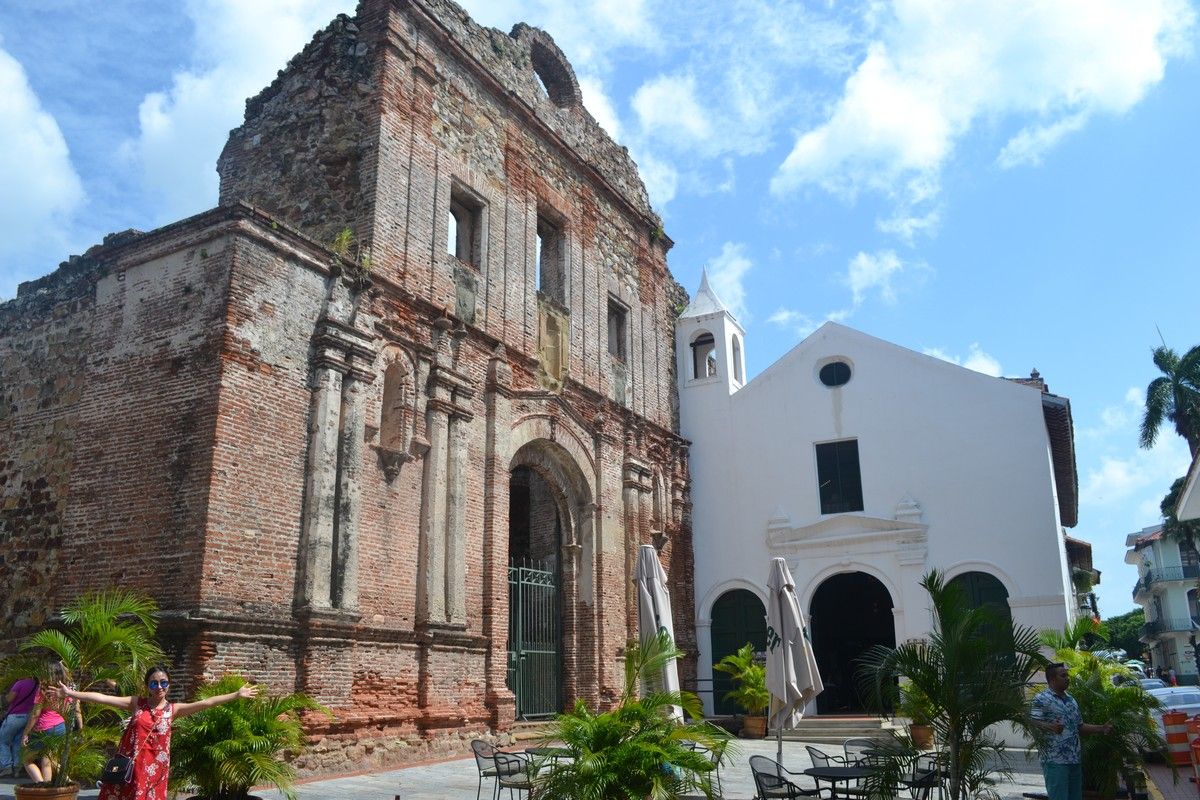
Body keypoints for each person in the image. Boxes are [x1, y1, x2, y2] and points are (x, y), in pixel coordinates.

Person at [48, 665, 258, 800]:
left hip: (156, 767)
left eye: (163, 682)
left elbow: (207, 702)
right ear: (147, 686)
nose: (159, 687)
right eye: (154, 683)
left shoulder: (173, 710)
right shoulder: (136, 704)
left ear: (169, 684)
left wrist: (236, 694)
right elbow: (101, 698)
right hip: (131, 764)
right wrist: (70, 693)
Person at [1031, 662, 1114, 800]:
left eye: (1067, 675)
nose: (1067, 678)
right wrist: (1050, 727)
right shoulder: (1041, 699)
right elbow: (1032, 722)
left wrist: (1101, 728)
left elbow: (1079, 726)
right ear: (1052, 679)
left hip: (1074, 759)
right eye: (1063, 675)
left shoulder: (1071, 700)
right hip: (1054, 760)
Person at [21, 661, 82, 784]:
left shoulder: (44, 690)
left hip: (44, 728)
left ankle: (42, 786)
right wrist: (81, 727)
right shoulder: (67, 689)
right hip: (60, 727)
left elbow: (35, 714)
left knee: (27, 759)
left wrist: (25, 733)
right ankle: (68, 782)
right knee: (50, 760)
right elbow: (77, 709)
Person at [0, 675, 38, 777]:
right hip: (28, 717)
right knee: (18, 742)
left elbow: (9, 699)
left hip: (15, 716)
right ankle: (17, 767)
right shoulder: (36, 685)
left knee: (3, 741)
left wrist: (3, 697)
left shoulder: (20, 683)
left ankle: (6, 766)